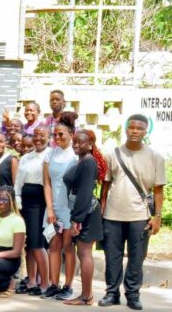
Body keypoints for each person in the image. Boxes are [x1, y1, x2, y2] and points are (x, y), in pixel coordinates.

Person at [99, 114, 166, 310]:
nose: (135, 131)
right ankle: (111, 293)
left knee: (137, 258)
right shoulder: (112, 154)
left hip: (140, 216)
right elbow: (105, 184)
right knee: (112, 257)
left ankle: (133, 295)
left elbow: (158, 190)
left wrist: (158, 217)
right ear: (126, 129)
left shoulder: (155, 157)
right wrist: (102, 209)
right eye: (131, 127)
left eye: (139, 128)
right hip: (112, 215)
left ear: (146, 132)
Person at [61, 130, 105, 306]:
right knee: (82, 253)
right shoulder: (83, 161)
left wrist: (76, 220)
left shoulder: (88, 163)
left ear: (90, 143)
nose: (76, 145)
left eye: (81, 142)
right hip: (82, 213)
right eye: (75, 142)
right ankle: (86, 295)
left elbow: (85, 194)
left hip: (86, 214)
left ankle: (86, 296)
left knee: (85, 253)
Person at [42, 112, 78, 300]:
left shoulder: (76, 155)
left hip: (70, 208)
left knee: (68, 247)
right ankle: (53, 284)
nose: (56, 138)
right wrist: (49, 208)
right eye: (54, 134)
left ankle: (68, 286)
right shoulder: (50, 153)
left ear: (71, 134)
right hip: (53, 207)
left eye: (61, 134)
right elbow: (46, 183)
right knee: (53, 245)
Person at [13, 126, 51, 296]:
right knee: (29, 245)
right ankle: (32, 281)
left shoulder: (51, 155)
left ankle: (45, 283)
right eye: (35, 135)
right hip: (25, 202)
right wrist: (18, 202)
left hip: (41, 201)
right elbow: (18, 184)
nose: (38, 139)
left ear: (48, 137)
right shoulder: (26, 158)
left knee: (37, 243)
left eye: (42, 135)